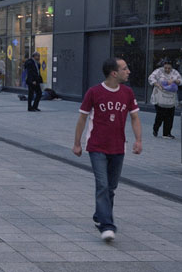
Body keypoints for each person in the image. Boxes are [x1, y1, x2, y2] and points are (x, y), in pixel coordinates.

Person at [72, 58, 143, 242]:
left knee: (111, 187)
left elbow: (135, 118)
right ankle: (107, 225)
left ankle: (100, 214)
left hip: (118, 147)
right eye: (125, 68)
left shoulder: (127, 93)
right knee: (102, 185)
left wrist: (138, 140)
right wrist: (77, 143)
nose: (128, 71)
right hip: (96, 146)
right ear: (114, 73)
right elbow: (82, 118)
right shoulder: (94, 92)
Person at [149, 61, 182, 138]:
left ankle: (167, 133)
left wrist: (174, 80)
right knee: (160, 115)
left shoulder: (175, 72)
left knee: (170, 115)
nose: (167, 69)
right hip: (159, 95)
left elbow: (181, 81)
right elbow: (151, 78)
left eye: (169, 68)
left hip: (170, 96)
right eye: (165, 68)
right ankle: (156, 129)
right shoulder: (158, 71)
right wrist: (157, 85)